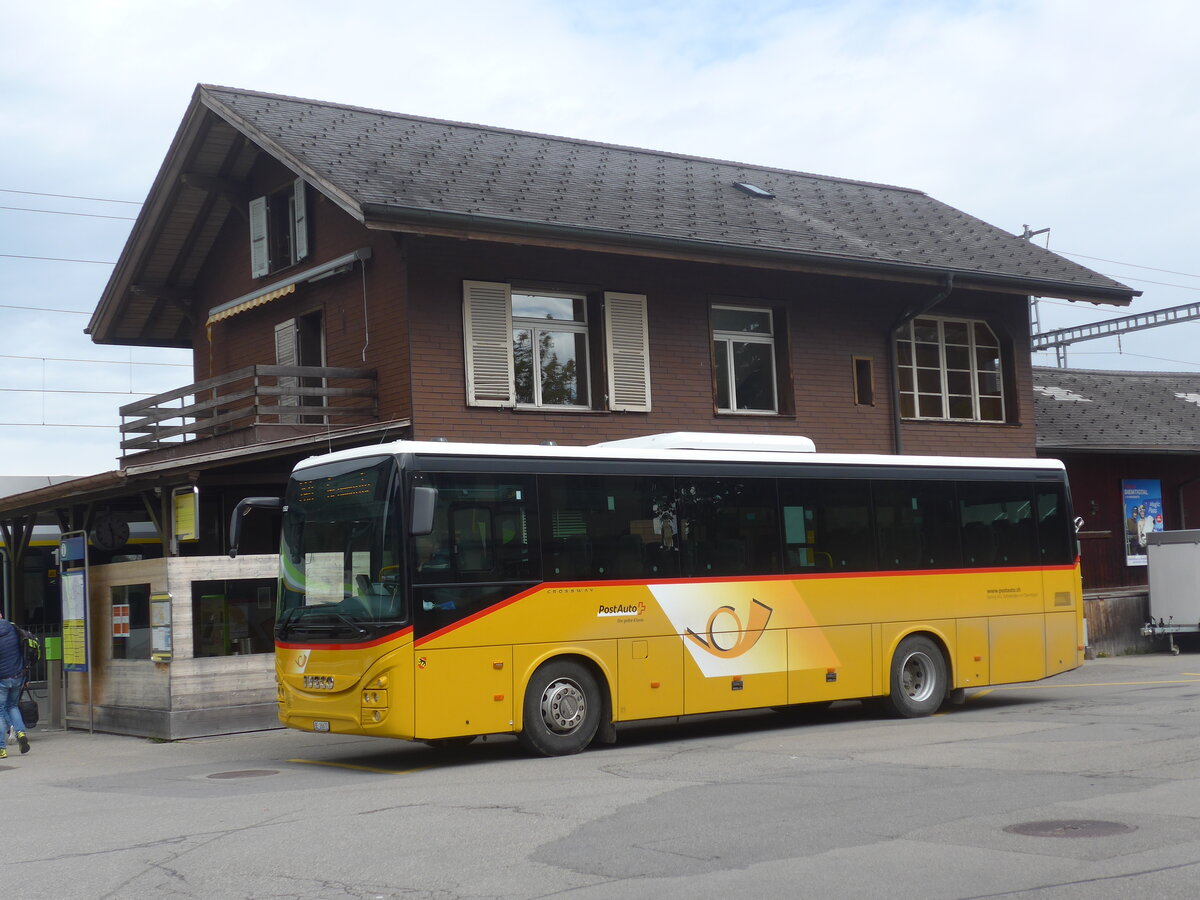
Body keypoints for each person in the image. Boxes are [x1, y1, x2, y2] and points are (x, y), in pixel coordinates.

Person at [0, 611, 31, 758]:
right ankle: (20, 732)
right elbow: (24, 651)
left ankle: (2, 748)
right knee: (12, 706)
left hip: (2, 678)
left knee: (0, 710)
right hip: (18, 675)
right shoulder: (13, 628)